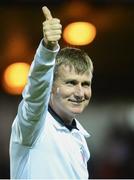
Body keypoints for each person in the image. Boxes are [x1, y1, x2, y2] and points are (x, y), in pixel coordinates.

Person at [10, 6, 93, 179]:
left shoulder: (79, 137)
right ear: (51, 87)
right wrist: (47, 50)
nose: (80, 92)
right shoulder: (33, 126)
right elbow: (35, 92)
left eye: (85, 84)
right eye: (71, 83)